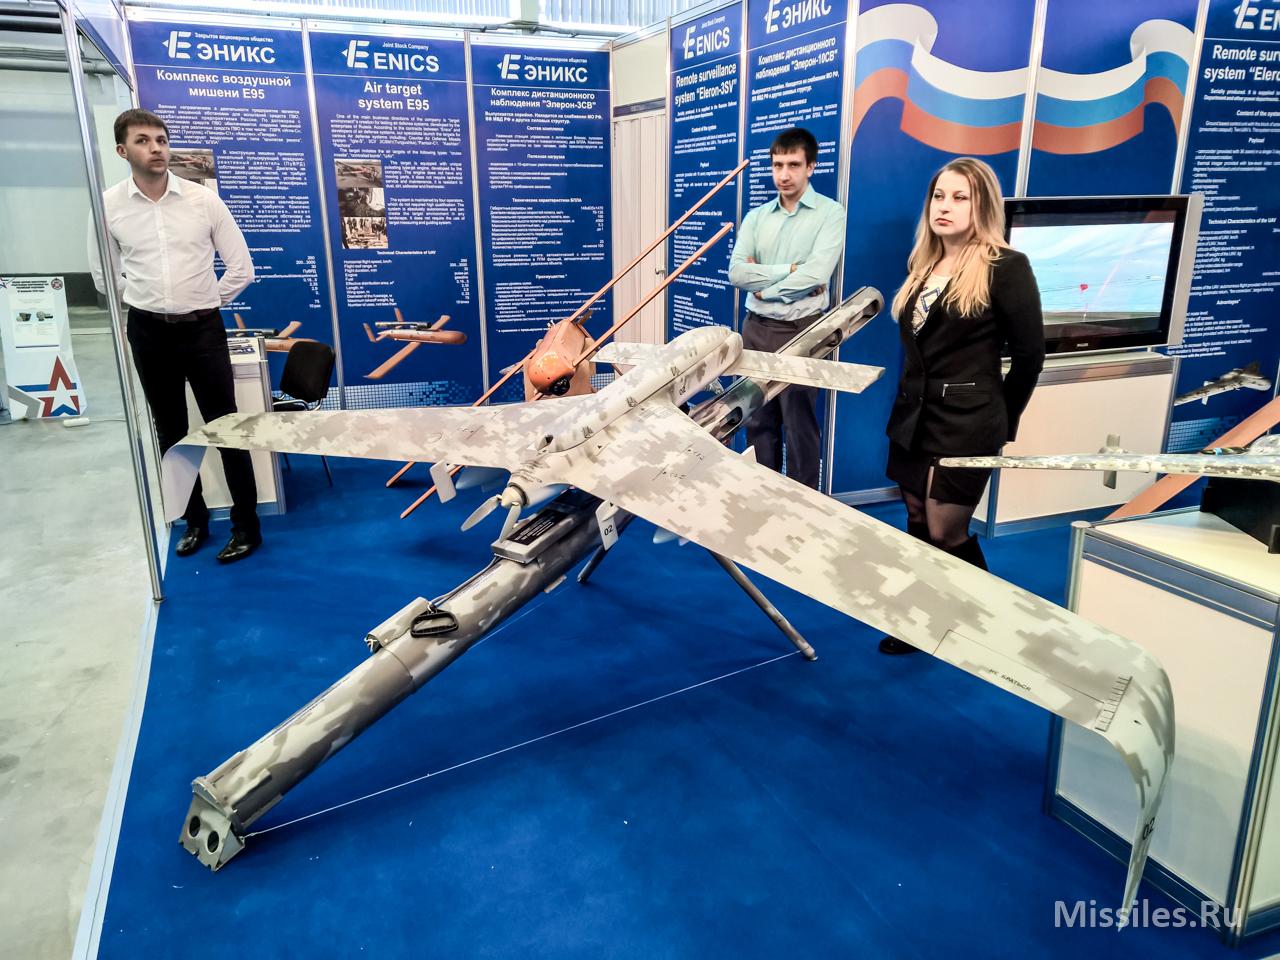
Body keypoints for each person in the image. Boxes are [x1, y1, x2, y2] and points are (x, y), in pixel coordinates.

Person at [879, 157, 1044, 654]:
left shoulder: (1006, 267)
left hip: (968, 422)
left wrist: (998, 423)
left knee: (946, 530)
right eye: (939, 196)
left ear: (982, 206)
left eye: (959, 197)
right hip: (913, 417)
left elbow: (1030, 357)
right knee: (915, 518)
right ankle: (923, 619)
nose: (944, 207)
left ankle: (988, 616)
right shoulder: (922, 263)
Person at [90, 108, 262, 563]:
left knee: (226, 428)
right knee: (171, 432)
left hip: (203, 330)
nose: (157, 149)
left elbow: (241, 267)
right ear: (122, 151)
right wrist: (149, 302)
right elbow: (105, 275)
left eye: (162, 140)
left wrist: (202, 300)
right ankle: (194, 521)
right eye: (144, 141)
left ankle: (247, 526)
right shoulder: (108, 206)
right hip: (148, 333)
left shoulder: (203, 201)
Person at [728, 127, 846, 489]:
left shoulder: (830, 214)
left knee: (800, 426)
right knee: (758, 421)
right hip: (755, 329)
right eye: (777, 165)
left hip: (803, 331)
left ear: (810, 166)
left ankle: (802, 504)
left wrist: (765, 288)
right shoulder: (757, 217)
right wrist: (789, 271)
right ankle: (764, 498)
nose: (783, 174)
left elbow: (817, 273)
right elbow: (737, 273)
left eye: (793, 165)